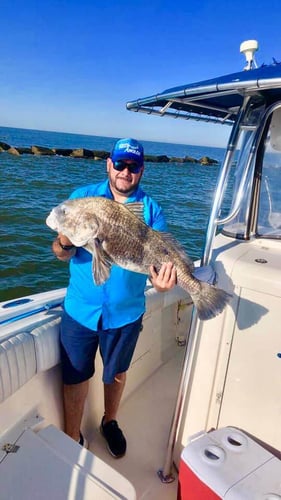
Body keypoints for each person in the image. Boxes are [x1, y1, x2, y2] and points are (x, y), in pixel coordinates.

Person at [52, 138, 176, 458]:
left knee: (117, 372)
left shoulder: (151, 210)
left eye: (132, 166)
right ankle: (71, 436)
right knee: (75, 375)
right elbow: (59, 252)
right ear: (109, 164)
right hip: (81, 309)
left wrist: (162, 283)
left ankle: (110, 421)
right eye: (119, 164)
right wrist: (66, 240)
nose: (125, 171)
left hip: (126, 313)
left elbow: (158, 261)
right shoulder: (83, 199)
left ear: (141, 171)